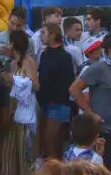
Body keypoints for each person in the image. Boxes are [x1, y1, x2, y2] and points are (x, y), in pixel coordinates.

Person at [70, 32, 111, 175]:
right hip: (105, 130)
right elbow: (74, 89)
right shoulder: (98, 68)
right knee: (107, 169)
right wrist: (90, 114)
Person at [0, 29, 39, 175]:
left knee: (24, 146)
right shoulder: (14, 63)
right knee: (10, 145)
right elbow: (11, 86)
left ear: (13, 43)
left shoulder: (28, 61)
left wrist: (16, 80)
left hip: (26, 107)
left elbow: (36, 85)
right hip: (13, 106)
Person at [39, 23, 76, 160]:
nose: (41, 36)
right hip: (44, 102)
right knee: (47, 142)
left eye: (43, 33)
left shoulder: (65, 56)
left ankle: (56, 167)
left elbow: (69, 82)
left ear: (53, 35)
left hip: (59, 103)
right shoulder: (44, 54)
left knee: (53, 141)